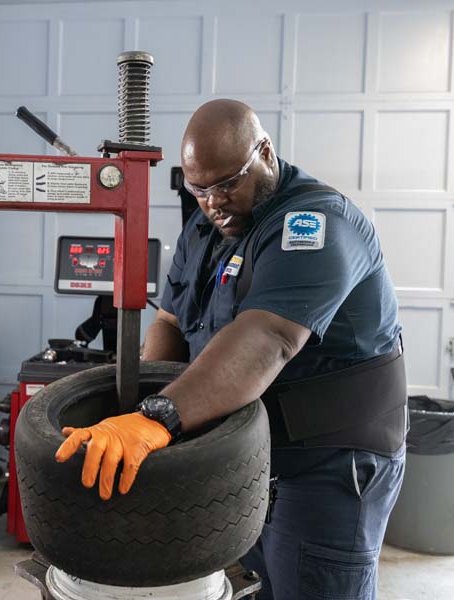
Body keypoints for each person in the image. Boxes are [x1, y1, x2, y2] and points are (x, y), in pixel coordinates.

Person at [55, 99, 407, 599]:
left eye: (227, 183)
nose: (213, 201)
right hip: (248, 456)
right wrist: (137, 413)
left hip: (329, 462)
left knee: (309, 586)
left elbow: (269, 338)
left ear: (264, 152)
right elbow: (171, 320)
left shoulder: (315, 223)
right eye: (199, 189)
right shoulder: (208, 226)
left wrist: (160, 416)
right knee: (250, 585)